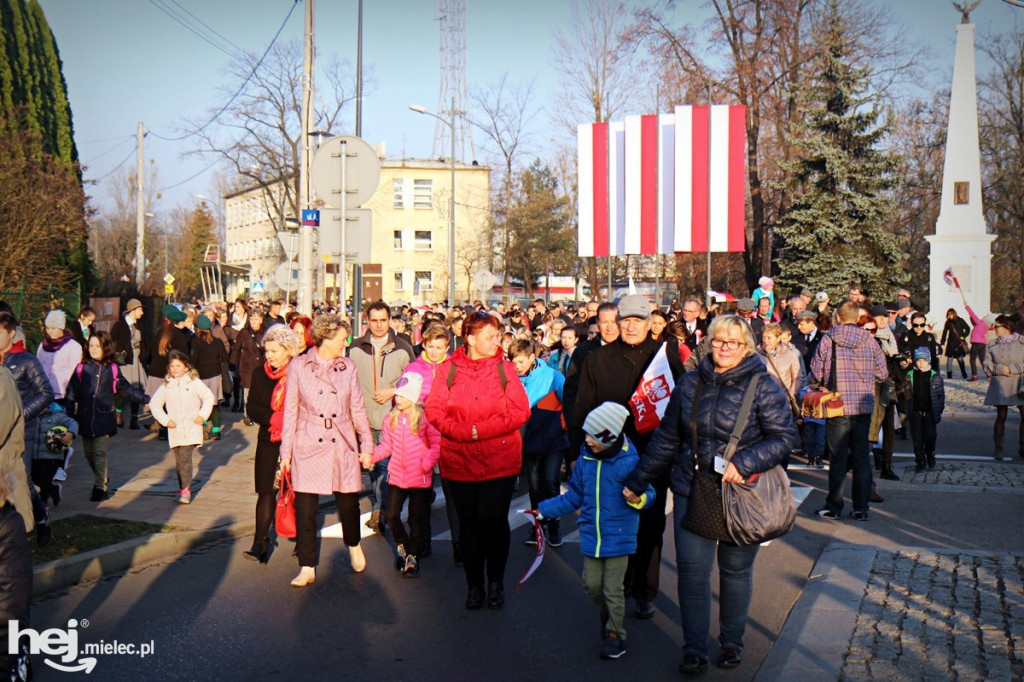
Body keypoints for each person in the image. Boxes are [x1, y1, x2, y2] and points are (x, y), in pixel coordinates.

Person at [623, 314, 798, 674]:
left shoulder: (764, 385)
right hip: (694, 486)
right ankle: (694, 648)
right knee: (691, 573)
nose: (724, 349)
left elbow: (783, 438)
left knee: (734, 572)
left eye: (732, 343)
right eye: (718, 341)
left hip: (742, 492)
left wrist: (746, 461)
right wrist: (638, 480)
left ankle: (731, 642)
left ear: (746, 346)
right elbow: (668, 438)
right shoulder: (689, 384)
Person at [570, 295, 685, 621]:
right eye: (626, 320)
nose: (632, 326)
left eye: (639, 319)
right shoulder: (598, 359)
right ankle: (619, 586)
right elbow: (583, 408)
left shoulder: (666, 356)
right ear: (617, 322)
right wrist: (576, 450)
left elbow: (681, 402)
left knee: (650, 525)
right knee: (615, 523)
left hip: (654, 455)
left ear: (651, 323)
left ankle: (646, 592)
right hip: (610, 457)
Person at [424, 311, 531, 610]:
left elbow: (519, 412)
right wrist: (460, 431)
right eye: (490, 336)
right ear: (471, 339)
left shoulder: (505, 370)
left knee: (494, 521)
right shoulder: (448, 370)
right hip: (458, 460)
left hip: (500, 459)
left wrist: (478, 430)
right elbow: (434, 410)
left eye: (497, 336)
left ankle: (495, 582)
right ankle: (474, 586)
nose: (496, 341)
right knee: (468, 524)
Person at [537, 402, 653, 661]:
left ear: (608, 437)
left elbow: (650, 493)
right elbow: (574, 496)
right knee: (591, 585)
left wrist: (638, 498)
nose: (586, 440)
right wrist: (544, 509)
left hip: (620, 536)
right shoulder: (586, 461)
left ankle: (615, 634)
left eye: (592, 435)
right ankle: (607, 614)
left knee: (613, 589)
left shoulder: (630, 462)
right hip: (592, 535)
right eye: (586, 434)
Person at [280, 315, 375, 587]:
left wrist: (366, 445)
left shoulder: (348, 366)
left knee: (348, 501)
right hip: (308, 439)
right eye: (342, 338)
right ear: (325, 338)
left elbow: (357, 407)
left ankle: (354, 544)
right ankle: (307, 566)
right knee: (306, 507)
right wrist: (285, 454)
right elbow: (291, 412)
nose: (346, 343)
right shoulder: (299, 366)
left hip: (341, 438)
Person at [812, 301, 888, 521]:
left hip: (838, 404)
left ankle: (834, 506)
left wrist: (822, 383)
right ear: (856, 317)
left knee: (837, 458)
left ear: (838, 317)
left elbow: (816, 372)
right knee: (861, 457)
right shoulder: (870, 340)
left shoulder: (829, 339)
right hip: (863, 406)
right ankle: (861, 508)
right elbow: (882, 373)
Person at [366, 372, 440, 578]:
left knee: (416, 521)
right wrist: (371, 457)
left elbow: (436, 445)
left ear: (414, 398)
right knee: (391, 516)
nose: (397, 398)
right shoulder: (391, 418)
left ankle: (412, 557)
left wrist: (426, 464)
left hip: (420, 478)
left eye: (402, 395)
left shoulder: (425, 419)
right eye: (396, 395)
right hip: (397, 476)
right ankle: (403, 546)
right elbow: (386, 446)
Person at [349, 302, 415, 533]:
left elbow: (413, 382)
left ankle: (381, 509)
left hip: (392, 416)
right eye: (374, 320)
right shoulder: (355, 348)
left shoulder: (402, 348)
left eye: (383, 320)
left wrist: (393, 391)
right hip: (364, 417)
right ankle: (383, 506)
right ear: (367, 320)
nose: (378, 325)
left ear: (390, 321)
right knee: (373, 466)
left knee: (387, 466)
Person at [66, 331, 149, 502]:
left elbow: (125, 389)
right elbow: (71, 392)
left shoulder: (112, 368)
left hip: (104, 418)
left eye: (98, 346)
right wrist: (67, 414)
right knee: (88, 453)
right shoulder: (82, 368)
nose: (94, 349)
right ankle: (101, 476)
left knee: (98, 452)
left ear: (106, 348)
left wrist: (147, 399)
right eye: (91, 346)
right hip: (85, 417)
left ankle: (100, 487)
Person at [243, 325, 301, 563]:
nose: (270, 355)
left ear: (289, 350)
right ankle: (260, 543)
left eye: (275, 351)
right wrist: (272, 417)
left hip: (297, 441)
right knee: (266, 491)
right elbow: (252, 407)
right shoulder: (259, 374)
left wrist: (290, 420)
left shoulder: (300, 374)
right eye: (267, 350)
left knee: (298, 492)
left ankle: (303, 541)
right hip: (268, 439)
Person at [0, 311, 53, 543]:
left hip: (22, 432)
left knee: (22, 481)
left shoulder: (26, 360)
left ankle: (40, 520)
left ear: (11, 333)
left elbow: (46, 393)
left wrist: (21, 414)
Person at [510, 339, 568, 547]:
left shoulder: (553, 376)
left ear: (532, 358)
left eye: (521, 361)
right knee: (534, 487)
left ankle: (554, 524)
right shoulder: (513, 380)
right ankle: (537, 525)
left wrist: (565, 426)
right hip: (529, 441)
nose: (517, 366)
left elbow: (569, 402)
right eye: (513, 362)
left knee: (551, 482)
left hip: (553, 439)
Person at [149, 351, 216, 505]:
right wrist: (165, 421)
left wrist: (202, 416)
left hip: (192, 428)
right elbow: (155, 404)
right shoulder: (167, 385)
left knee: (185, 458)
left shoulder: (194, 383)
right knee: (179, 461)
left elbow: (208, 397)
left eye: (178, 366)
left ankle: (186, 490)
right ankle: (182, 488)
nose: (175, 369)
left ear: (186, 367)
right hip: (175, 429)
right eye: (172, 366)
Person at [983, 315, 1024, 459]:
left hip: (1020, 382)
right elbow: (986, 364)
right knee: (1001, 416)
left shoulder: (1022, 342)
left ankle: (1022, 447)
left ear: (1007, 327)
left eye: (997, 326)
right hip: (1001, 383)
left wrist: (1012, 368)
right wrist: (1000, 370)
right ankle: (998, 448)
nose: (994, 329)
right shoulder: (992, 344)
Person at [26, 403, 76, 509]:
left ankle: (43, 504)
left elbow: (72, 423)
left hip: (51, 456)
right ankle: (54, 490)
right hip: (35, 455)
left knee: (44, 480)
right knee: (35, 480)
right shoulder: (32, 415)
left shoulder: (57, 415)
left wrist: (71, 433)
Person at [110, 299, 148, 429]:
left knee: (137, 389)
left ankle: (134, 419)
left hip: (137, 360)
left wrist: (145, 358)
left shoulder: (140, 325)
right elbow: (111, 340)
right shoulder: (120, 325)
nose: (142, 313)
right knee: (124, 389)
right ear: (133, 310)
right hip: (125, 361)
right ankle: (118, 413)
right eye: (140, 310)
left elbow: (144, 343)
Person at [906, 347, 945, 471]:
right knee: (917, 438)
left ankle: (930, 455)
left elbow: (940, 395)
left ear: (928, 361)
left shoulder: (935, 376)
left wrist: (938, 410)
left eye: (923, 360)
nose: (921, 363)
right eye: (918, 361)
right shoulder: (910, 375)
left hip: (929, 412)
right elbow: (907, 394)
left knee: (930, 437)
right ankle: (920, 461)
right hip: (915, 411)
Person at [191, 315, 228, 440]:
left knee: (201, 404)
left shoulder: (195, 342)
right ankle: (216, 430)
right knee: (214, 403)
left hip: (201, 377)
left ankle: (204, 428)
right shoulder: (217, 341)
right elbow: (224, 357)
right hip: (215, 375)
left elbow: (193, 360)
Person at [36, 310, 81, 412]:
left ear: (61, 328)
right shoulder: (43, 345)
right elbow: (38, 366)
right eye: (47, 328)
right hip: (45, 393)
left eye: (53, 328)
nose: (49, 331)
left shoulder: (73, 346)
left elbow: (76, 372)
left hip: (64, 395)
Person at [230, 309, 266, 426]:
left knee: (260, 393)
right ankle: (248, 415)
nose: (253, 322)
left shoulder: (266, 332)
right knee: (248, 392)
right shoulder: (244, 333)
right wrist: (233, 365)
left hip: (262, 367)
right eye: (251, 319)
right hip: (247, 367)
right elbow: (236, 350)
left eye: (256, 319)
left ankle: (259, 414)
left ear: (261, 320)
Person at [939, 308, 971, 380]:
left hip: (959, 343)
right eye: (948, 315)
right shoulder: (948, 322)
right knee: (950, 359)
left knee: (960, 359)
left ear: (954, 314)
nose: (949, 316)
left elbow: (968, 328)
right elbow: (945, 332)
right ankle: (949, 375)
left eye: (950, 314)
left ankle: (964, 374)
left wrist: (964, 336)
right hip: (951, 343)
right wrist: (942, 341)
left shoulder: (960, 320)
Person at [964, 302, 990, 382]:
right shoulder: (985, 326)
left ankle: (974, 375)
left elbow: (972, 314)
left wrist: (966, 306)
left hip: (976, 343)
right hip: (983, 343)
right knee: (982, 360)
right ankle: (988, 375)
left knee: (972, 359)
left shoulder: (979, 323)